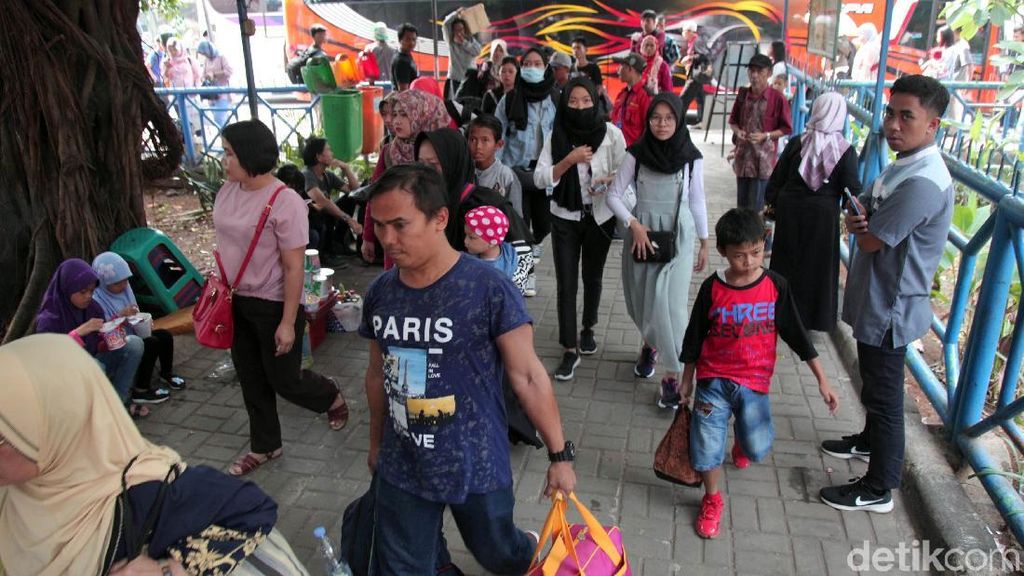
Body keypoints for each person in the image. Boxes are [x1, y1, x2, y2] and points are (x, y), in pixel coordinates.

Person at [359, 164, 576, 572]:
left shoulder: (489, 288)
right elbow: (376, 374)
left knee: (499, 554)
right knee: (401, 565)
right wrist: (376, 444)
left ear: (440, 219)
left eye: (400, 225)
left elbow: (527, 375)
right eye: (380, 226)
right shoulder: (381, 293)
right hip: (404, 464)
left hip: (476, 461)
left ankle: (528, 549)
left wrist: (560, 456)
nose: (387, 239)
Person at [0, 334, 310, 576]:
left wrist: (172, 569)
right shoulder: (13, 496)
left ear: (60, 424)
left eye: (4, 435)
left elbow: (254, 514)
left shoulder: (161, 499)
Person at [819, 75, 953, 513]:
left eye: (906, 116)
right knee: (875, 385)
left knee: (885, 394)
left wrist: (861, 222)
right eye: (891, 113)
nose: (893, 124)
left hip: (891, 306)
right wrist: (862, 217)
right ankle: (868, 440)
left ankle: (879, 487)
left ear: (932, 125)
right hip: (877, 296)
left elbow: (872, 237)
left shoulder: (923, 182)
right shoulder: (905, 163)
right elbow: (864, 204)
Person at [681, 208, 838, 539]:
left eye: (755, 253)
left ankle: (740, 442)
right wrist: (686, 379)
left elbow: (796, 333)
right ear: (723, 252)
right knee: (706, 447)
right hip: (713, 380)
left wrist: (822, 379)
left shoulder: (775, 286)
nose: (749, 262)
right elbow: (694, 336)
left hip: (755, 383)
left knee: (755, 448)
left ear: (763, 245)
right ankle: (711, 499)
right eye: (739, 256)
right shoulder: (712, 289)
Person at [213, 120, 349, 476]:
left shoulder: (283, 200)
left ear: (249, 155)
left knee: (284, 380)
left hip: (274, 304)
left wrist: (289, 323)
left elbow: (294, 268)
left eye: (229, 153)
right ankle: (265, 446)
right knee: (251, 377)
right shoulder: (228, 190)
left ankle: (329, 395)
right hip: (234, 300)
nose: (224, 160)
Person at [606, 93, 709, 404]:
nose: (662, 124)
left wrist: (705, 242)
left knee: (672, 306)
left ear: (678, 121)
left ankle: (671, 374)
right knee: (643, 300)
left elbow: (697, 200)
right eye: (656, 118)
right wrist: (633, 224)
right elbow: (613, 195)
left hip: (679, 237)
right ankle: (650, 343)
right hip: (643, 237)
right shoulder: (635, 154)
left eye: (669, 118)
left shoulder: (692, 158)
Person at [534, 77, 627, 380]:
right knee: (566, 283)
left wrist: (609, 181)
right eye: (573, 101)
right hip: (564, 218)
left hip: (600, 217)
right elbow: (539, 178)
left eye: (585, 100)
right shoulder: (556, 135)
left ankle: (588, 327)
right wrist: (568, 161)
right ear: (565, 103)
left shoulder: (611, 135)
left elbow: (627, 175)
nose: (579, 106)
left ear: (595, 100)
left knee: (593, 277)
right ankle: (569, 349)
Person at [767, 92, 861, 333]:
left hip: (790, 212)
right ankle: (810, 321)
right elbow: (852, 190)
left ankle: (780, 313)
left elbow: (777, 179)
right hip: (822, 217)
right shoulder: (845, 150)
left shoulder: (799, 142)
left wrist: (773, 204)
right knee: (816, 268)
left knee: (786, 263)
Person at [35, 259, 148, 418]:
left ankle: (118, 402)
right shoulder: (49, 319)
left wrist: (111, 340)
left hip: (91, 360)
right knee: (95, 366)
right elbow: (49, 357)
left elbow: (97, 345)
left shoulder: (93, 308)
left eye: (91, 291)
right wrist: (79, 332)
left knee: (134, 344)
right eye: (82, 292)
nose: (88, 296)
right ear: (67, 289)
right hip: (63, 374)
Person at [362, 88, 452, 267]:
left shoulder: (443, 150)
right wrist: (368, 237)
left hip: (432, 236)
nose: (396, 121)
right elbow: (375, 196)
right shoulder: (389, 152)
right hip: (396, 238)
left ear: (421, 114)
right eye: (394, 114)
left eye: (404, 114)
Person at [495, 47, 559, 297]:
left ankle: (534, 250)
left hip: (545, 173)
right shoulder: (509, 99)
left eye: (537, 63)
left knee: (544, 226)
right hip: (516, 172)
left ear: (545, 67)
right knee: (520, 229)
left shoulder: (555, 98)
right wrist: (498, 172)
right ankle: (524, 279)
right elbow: (498, 135)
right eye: (528, 64)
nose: (532, 68)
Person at [415, 127, 532, 253]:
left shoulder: (486, 205)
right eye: (420, 164)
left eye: (433, 164)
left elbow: (522, 255)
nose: (424, 172)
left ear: (454, 164)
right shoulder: (415, 202)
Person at [91, 251, 186, 399]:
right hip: (117, 343)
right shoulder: (97, 300)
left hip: (133, 332)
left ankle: (166, 373)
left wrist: (143, 322)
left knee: (165, 336)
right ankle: (141, 389)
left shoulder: (125, 290)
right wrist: (121, 315)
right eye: (117, 283)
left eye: (125, 280)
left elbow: (134, 312)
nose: (123, 286)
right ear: (103, 282)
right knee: (151, 343)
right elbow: (104, 329)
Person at [728, 53, 792, 211]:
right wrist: (738, 132)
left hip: (762, 162)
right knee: (741, 207)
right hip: (743, 158)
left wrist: (766, 135)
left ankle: (756, 236)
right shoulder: (743, 94)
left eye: (759, 71)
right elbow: (733, 121)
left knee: (757, 209)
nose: (754, 75)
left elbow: (786, 128)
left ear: (769, 73)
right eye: (752, 71)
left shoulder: (778, 99)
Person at [301, 137, 362, 266]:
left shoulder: (327, 175)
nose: (332, 153)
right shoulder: (307, 175)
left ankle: (338, 243)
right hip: (310, 220)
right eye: (328, 150)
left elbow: (356, 192)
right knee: (325, 210)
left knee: (350, 198)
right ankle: (326, 254)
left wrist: (346, 168)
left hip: (322, 216)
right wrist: (349, 220)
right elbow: (321, 201)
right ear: (319, 157)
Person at [470, 114, 523, 216]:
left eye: (485, 140)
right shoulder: (464, 171)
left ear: (499, 144)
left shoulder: (506, 176)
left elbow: (516, 218)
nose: (478, 146)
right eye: (473, 139)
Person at [611, 52, 653, 147]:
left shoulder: (645, 96)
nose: (618, 70)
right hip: (617, 150)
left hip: (634, 154)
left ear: (630, 69)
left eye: (621, 66)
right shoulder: (621, 94)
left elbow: (650, 130)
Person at [442, 7, 482, 97]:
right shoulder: (451, 42)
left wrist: (464, 43)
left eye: (461, 29)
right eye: (456, 30)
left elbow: (478, 51)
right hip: (456, 78)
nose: (459, 32)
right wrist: (456, 13)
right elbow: (445, 24)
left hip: (470, 79)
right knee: (455, 104)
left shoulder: (470, 40)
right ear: (453, 31)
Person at [197, 39, 233, 127]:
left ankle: (225, 137)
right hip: (211, 95)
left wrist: (215, 74)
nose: (205, 55)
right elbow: (203, 74)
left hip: (223, 92)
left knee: (219, 119)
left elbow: (229, 71)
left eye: (205, 53)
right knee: (220, 119)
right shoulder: (207, 60)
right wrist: (205, 77)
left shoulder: (222, 57)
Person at [392, 23, 419, 91]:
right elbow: (403, 91)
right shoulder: (402, 62)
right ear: (400, 40)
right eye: (408, 39)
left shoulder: (406, 55)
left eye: (414, 39)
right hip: (405, 100)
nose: (412, 43)